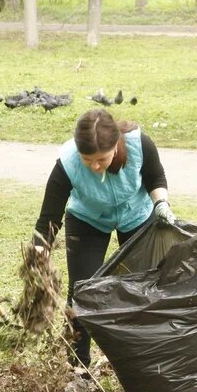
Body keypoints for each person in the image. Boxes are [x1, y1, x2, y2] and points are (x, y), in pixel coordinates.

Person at [32, 108, 178, 370]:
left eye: (102, 159)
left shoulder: (138, 144)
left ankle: (145, 363)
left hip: (136, 215)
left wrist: (161, 204)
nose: (95, 166)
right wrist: (39, 252)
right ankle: (78, 366)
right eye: (88, 160)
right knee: (82, 292)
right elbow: (49, 218)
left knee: (142, 289)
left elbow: (155, 176)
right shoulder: (67, 163)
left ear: (116, 145)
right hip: (88, 219)